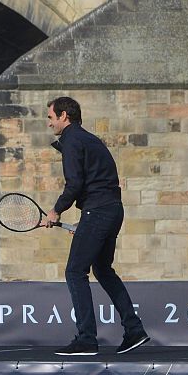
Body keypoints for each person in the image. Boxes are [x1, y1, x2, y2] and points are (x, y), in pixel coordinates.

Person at [42, 96, 149, 357]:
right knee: (102, 269)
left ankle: (87, 339)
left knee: (74, 272)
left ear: (64, 115)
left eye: (50, 117)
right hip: (111, 210)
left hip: (99, 212)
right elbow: (99, 184)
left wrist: (56, 211)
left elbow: (75, 184)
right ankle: (134, 330)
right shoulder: (88, 139)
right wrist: (84, 220)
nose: (49, 123)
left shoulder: (71, 140)